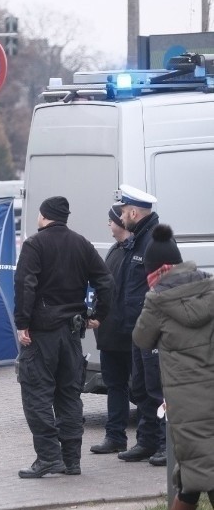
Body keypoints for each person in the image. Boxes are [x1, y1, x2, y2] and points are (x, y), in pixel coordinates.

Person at [14, 196, 113, 478]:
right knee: (69, 396)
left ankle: (48, 458)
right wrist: (98, 316)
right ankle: (72, 460)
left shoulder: (35, 244)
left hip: (41, 334)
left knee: (37, 396)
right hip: (72, 332)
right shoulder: (81, 243)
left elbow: (25, 283)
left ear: (44, 216)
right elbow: (106, 281)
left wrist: (22, 322)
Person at [132, 224, 214, 510]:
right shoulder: (209, 287)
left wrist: (149, 300)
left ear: (159, 270)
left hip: (187, 406)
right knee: (194, 476)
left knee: (200, 473)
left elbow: (141, 338)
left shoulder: (156, 301)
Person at [114, 184, 167, 466]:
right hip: (139, 330)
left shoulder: (155, 243)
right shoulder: (139, 239)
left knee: (159, 389)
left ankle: (166, 445)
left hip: (154, 331)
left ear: (134, 212)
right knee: (142, 389)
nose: (120, 217)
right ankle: (147, 442)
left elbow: (165, 290)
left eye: (123, 212)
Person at [90, 204, 137, 454]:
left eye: (112, 220)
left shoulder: (135, 250)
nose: (109, 224)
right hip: (110, 333)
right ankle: (115, 436)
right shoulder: (115, 250)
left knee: (141, 388)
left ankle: (152, 439)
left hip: (128, 333)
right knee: (115, 385)